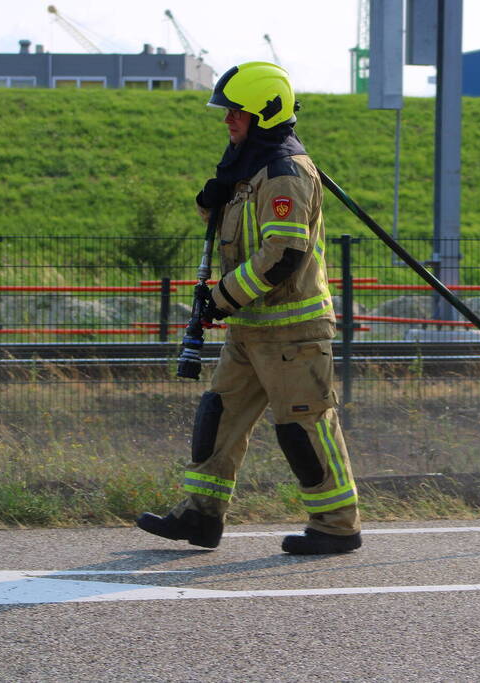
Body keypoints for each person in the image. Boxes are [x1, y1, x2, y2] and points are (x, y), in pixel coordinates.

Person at [136, 62, 361, 555]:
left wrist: (221, 298)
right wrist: (212, 201)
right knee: (218, 420)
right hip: (249, 329)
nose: (227, 120)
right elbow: (240, 232)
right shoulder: (249, 167)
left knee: (303, 430)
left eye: (236, 112)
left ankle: (337, 526)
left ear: (265, 114)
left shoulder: (284, 173)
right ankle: (201, 515)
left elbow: (282, 253)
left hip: (293, 335)